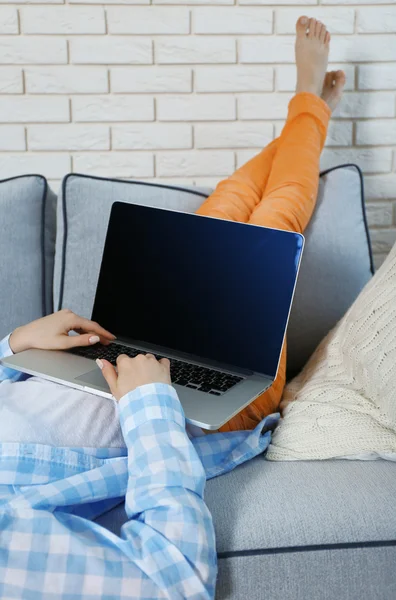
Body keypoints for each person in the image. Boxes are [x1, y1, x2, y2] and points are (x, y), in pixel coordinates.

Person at [0, 17, 343, 599]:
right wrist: (150, 407)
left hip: (118, 346)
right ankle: (309, 105)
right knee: (273, 221)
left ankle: (306, 112)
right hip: (192, 402)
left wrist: (13, 347)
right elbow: (174, 582)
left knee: (220, 212)